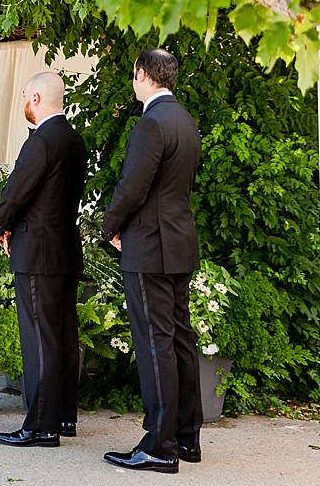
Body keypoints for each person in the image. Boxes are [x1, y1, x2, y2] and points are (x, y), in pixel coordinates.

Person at [101, 49, 202, 474]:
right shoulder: (185, 120)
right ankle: (185, 437)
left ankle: (159, 446)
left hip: (150, 246)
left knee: (155, 343)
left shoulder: (151, 122)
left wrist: (110, 226)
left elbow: (132, 187)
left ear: (142, 75)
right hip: (178, 242)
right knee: (179, 339)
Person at [0, 72, 87, 449]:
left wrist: (1, 225)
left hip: (37, 253)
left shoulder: (40, 141)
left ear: (34, 97)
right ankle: (63, 416)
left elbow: (15, 193)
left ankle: (41, 425)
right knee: (63, 335)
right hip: (65, 248)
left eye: (24, 98)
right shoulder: (74, 140)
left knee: (39, 339)